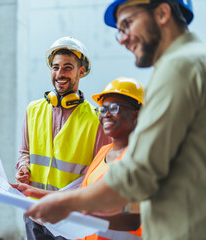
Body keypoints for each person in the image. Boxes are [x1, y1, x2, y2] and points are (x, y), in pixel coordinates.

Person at [25, 0, 206, 239]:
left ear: (163, 13)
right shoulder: (195, 61)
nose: (122, 39)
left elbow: (137, 174)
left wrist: (66, 204)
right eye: (119, 31)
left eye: (128, 24)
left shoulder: (179, 67)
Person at [14, 77, 144, 240]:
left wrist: (71, 213)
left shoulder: (140, 160)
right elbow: (82, 196)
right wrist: (34, 192)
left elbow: (132, 220)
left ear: (137, 115)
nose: (106, 115)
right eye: (102, 109)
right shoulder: (104, 152)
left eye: (114, 108)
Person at [15, 37, 111, 240]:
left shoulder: (97, 120)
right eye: (56, 67)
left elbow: (98, 177)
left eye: (68, 67)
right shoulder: (33, 110)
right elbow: (25, 152)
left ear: (81, 71)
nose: (60, 74)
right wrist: (23, 168)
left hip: (69, 219)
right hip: (34, 212)